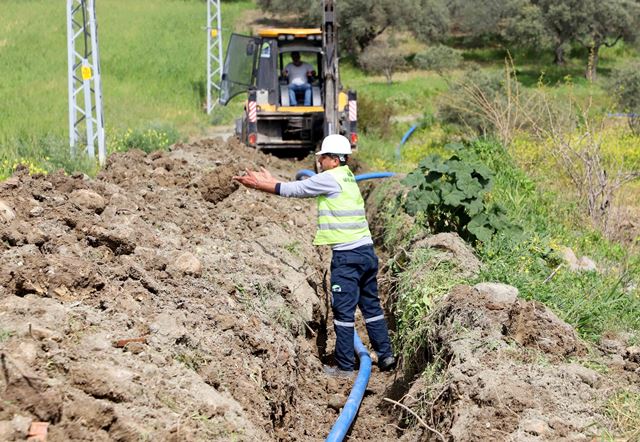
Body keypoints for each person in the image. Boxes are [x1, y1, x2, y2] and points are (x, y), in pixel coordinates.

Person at [233, 134, 396, 378]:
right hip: (366, 254)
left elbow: (296, 189)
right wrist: (273, 180)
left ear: (333, 159)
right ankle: (386, 355)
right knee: (371, 307)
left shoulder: (330, 179)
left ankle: (343, 368)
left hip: (347, 257)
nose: (319, 162)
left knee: (343, 313)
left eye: (322, 158)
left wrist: (261, 185)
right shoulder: (348, 177)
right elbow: (298, 185)